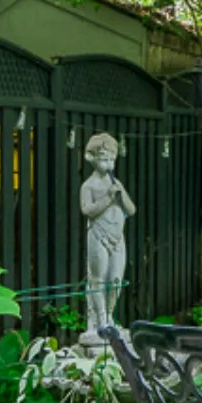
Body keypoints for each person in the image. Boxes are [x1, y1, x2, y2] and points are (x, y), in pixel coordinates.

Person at [80, 132, 136, 344]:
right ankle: (100, 320)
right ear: (91, 158)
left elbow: (131, 210)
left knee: (115, 280)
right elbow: (87, 210)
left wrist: (122, 195)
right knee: (98, 278)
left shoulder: (117, 183)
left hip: (117, 237)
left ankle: (110, 314)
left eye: (112, 159)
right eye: (104, 158)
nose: (108, 163)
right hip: (98, 234)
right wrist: (107, 198)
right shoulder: (89, 185)